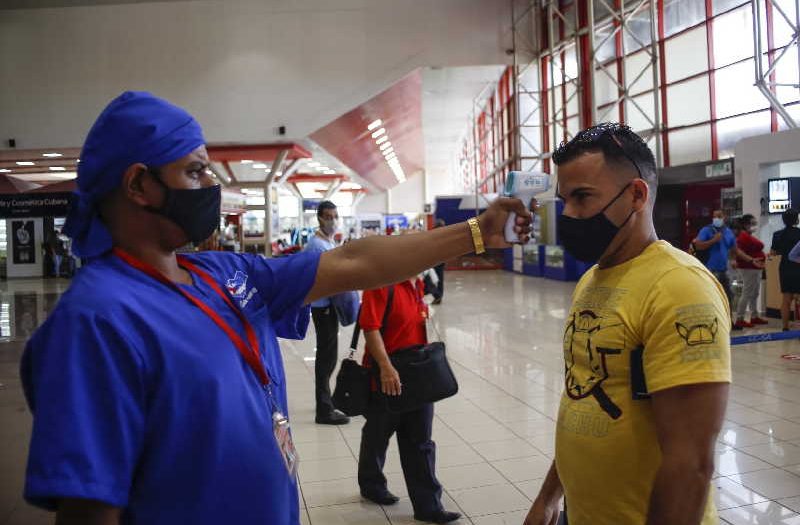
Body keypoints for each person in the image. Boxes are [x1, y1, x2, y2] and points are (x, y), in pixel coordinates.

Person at [20, 91, 532, 525]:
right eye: (196, 172)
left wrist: (475, 234)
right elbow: (89, 509)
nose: (211, 188)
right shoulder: (97, 322)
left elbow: (352, 262)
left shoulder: (219, 274)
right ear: (138, 185)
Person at [524, 123, 730, 525]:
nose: (568, 213)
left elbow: (691, 464)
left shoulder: (679, 287)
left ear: (637, 194)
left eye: (583, 197)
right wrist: (550, 496)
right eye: (564, 199)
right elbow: (586, 399)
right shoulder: (592, 279)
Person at [357, 276, 460, 524]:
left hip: (417, 374)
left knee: (420, 439)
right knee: (378, 432)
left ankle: (429, 506)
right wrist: (385, 367)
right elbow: (370, 328)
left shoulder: (417, 284)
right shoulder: (381, 284)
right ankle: (371, 483)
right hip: (386, 374)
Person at [303, 200, 350, 425]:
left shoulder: (329, 242)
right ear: (320, 218)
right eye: (328, 217)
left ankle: (326, 401)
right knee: (326, 358)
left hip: (330, 306)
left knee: (330, 357)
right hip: (323, 309)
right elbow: (323, 278)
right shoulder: (316, 246)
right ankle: (324, 409)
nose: (332, 221)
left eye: (335, 216)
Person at [692, 210, 761, 324]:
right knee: (711, 297)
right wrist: (713, 240)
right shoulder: (707, 230)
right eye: (714, 216)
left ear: (724, 217)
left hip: (723, 270)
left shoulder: (728, 232)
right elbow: (698, 246)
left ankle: (729, 322)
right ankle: (711, 322)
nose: (716, 219)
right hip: (709, 270)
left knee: (728, 296)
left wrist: (746, 260)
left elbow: (735, 250)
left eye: (719, 216)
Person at [734, 214, 767, 329]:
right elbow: (739, 252)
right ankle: (740, 318)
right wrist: (752, 260)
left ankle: (754, 315)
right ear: (745, 224)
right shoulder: (743, 237)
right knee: (747, 293)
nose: (754, 226)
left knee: (754, 293)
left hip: (754, 268)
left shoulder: (747, 236)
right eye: (752, 223)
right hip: (748, 268)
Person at [769, 208, 800, 331]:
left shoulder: (777, 234)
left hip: (785, 267)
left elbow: (773, 252)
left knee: (786, 299)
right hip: (798, 266)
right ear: (796, 219)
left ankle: (785, 326)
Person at [431, 219, 446, 304]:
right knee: (439, 279)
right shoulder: (444, 234)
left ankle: (438, 296)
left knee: (435, 279)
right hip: (440, 260)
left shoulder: (435, 234)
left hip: (437, 260)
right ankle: (438, 296)